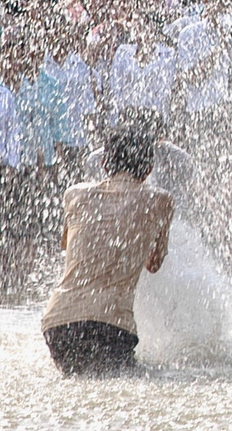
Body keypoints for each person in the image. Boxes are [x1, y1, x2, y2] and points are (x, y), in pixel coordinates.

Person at [40, 116, 175, 375]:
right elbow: (154, 264)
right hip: (113, 328)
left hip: (58, 325)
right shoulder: (160, 201)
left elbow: (68, 247)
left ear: (104, 164)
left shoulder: (75, 195)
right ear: (148, 169)